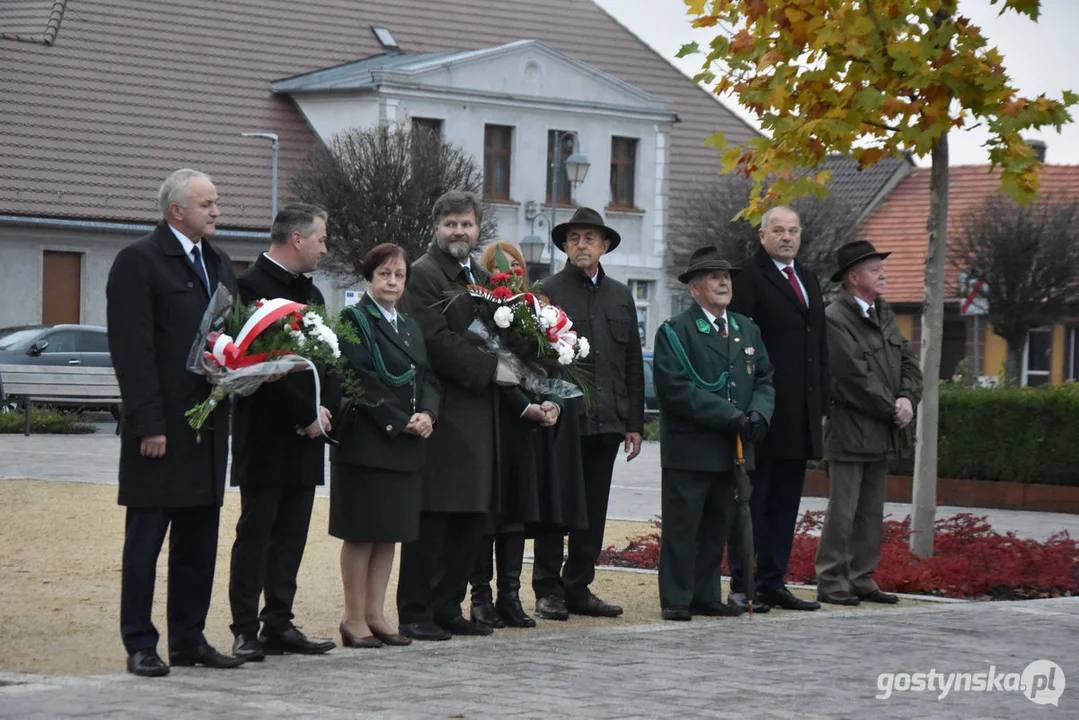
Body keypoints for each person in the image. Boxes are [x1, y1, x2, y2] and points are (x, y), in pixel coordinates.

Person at [106, 169, 243, 676]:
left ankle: (190, 638)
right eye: (206, 204)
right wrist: (148, 424)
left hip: (206, 427)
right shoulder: (138, 262)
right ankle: (140, 642)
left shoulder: (219, 261)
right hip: (161, 429)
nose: (216, 211)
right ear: (176, 211)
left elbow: (229, 338)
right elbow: (132, 350)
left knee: (199, 541)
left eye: (217, 202)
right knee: (146, 542)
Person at [395, 190, 520, 641]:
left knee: (470, 519)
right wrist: (493, 369)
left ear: (477, 228)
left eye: (466, 224)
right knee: (434, 517)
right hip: (444, 414)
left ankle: (447, 607)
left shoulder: (484, 277)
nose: (459, 231)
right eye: (450, 224)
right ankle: (415, 610)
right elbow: (435, 340)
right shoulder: (424, 275)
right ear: (436, 227)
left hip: (481, 416)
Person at [227, 203, 337, 661]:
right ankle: (244, 628)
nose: (324, 248)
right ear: (297, 239)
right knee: (258, 532)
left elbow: (327, 359)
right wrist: (305, 412)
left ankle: (279, 621)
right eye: (321, 239)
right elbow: (256, 361)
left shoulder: (311, 293)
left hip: (308, 435)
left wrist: (326, 407)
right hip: (267, 432)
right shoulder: (249, 287)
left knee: (292, 532)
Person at [532, 207, 645, 620]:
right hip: (561, 419)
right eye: (574, 237)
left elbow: (632, 360)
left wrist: (634, 423)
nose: (582, 244)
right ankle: (548, 590)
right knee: (555, 507)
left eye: (590, 238)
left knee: (593, 510)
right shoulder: (546, 291)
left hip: (608, 422)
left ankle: (578, 586)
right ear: (564, 245)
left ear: (605, 246)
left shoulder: (621, 295)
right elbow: (534, 360)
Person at [468, 241, 587, 630]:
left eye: (518, 266)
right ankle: (481, 597)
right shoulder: (483, 310)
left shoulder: (533, 311)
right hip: (495, 422)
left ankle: (510, 597)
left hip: (526, 431)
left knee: (517, 513)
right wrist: (524, 403)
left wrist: (553, 401)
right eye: (503, 268)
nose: (512, 272)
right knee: (491, 514)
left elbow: (548, 363)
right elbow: (491, 367)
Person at [652, 246, 775, 621]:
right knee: (683, 527)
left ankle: (705, 594)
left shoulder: (745, 328)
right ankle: (676, 598)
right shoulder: (676, 332)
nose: (724, 282)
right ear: (694, 288)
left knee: (716, 527)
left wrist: (758, 414)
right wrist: (731, 415)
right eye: (713, 277)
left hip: (732, 448)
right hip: (691, 451)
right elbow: (676, 390)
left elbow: (765, 379)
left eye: (726, 276)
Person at [331, 243, 439, 648]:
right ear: (369, 277)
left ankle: (376, 613)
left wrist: (428, 414)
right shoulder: (353, 319)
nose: (392, 282)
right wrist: (399, 420)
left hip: (406, 444)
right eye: (384, 274)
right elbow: (357, 377)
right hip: (369, 443)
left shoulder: (408, 325)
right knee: (361, 533)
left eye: (399, 275)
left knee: (389, 533)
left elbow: (427, 377)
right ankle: (353, 617)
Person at [726, 206, 828, 613]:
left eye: (794, 231)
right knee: (753, 499)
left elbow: (819, 345)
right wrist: (748, 405)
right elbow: (739, 345)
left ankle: (773, 581)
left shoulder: (808, 278)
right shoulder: (748, 277)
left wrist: (821, 403)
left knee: (786, 502)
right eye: (779, 231)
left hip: (800, 414)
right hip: (763, 412)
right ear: (762, 235)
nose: (787, 237)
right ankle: (743, 582)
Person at [816, 241, 922, 606]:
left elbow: (908, 362)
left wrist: (908, 397)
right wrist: (892, 407)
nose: (883, 274)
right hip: (849, 430)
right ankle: (831, 581)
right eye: (875, 269)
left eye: (881, 268)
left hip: (881, 430)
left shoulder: (884, 312)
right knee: (843, 512)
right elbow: (851, 377)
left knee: (871, 513)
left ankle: (862, 578)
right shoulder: (834, 317)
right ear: (853, 277)